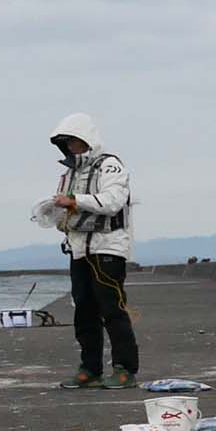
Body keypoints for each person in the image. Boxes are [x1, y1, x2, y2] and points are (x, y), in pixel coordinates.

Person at [40, 113, 138, 389]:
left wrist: (73, 201)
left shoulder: (110, 166)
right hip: (79, 249)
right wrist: (51, 212)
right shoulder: (70, 173)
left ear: (86, 139)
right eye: (66, 143)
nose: (70, 146)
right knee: (83, 310)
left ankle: (124, 368)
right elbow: (68, 211)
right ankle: (90, 368)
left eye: (73, 140)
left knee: (112, 309)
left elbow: (112, 201)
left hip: (108, 247)